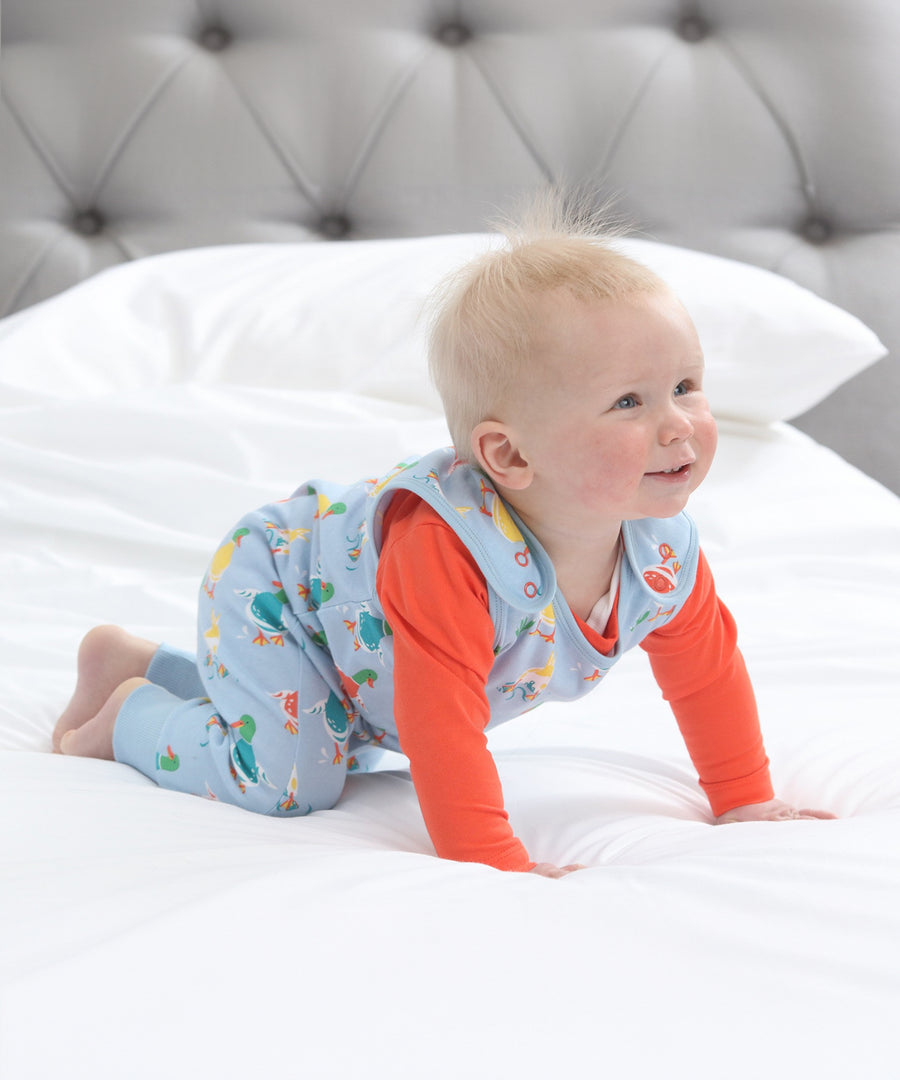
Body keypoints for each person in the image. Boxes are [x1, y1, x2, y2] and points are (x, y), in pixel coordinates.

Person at [54, 213, 835, 876]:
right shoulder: (449, 554)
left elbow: (705, 677)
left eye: (686, 386)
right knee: (291, 781)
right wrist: (494, 859)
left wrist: (744, 800)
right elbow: (439, 726)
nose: (678, 425)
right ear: (511, 457)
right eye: (629, 401)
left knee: (337, 737)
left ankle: (140, 660)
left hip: (360, 663)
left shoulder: (661, 552)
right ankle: (129, 715)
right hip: (281, 595)